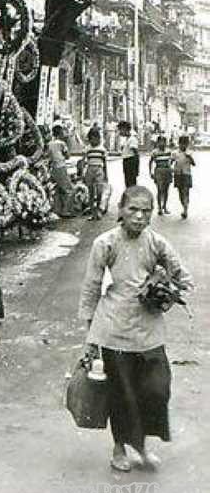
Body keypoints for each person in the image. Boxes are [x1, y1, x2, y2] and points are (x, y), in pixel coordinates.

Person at [78, 186, 193, 472]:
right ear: (120, 210)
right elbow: (91, 287)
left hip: (149, 332)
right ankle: (120, 448)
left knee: (157, 389)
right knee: (121, 394)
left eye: (146, 211)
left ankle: (141, 445)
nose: (140, 217)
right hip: (114, 332)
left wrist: (166, 285)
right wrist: (91, 336)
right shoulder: (105, 244)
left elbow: (183, 278)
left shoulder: (157, 243)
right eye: (133, 210)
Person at [47, 125, 75, 218]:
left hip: (53, 168)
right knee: (69, 190)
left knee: (58, 189)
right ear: (60, 133)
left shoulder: (49, 143)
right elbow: (67, 156)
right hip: (61, 167)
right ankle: (66, 211)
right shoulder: (62, 143)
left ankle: (57, 209)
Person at [81, 128, 108, 221]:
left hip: (99, 169)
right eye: (91, 138)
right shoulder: (87, 149)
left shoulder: (102, 149)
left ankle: (98, 210)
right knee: (91, 192)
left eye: (95, 138)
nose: (94, 141)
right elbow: (83, 161)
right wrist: (82, 173)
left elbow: (105, 163)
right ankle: (93, 213)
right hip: (90, 170)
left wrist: (106, 174)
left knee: (99, 191)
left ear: (99, 138)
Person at [148, 135, 174, 216]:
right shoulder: (154, 152)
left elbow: (172, 160)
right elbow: (150, 162)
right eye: (160, 142)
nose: (162, 143)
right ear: (157, 143)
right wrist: (150, 172)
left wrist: (170, 166)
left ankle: (164, 207)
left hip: (167, 171)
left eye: (163, 142)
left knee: (166, 190)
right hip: (158, 170)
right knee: (159, 189)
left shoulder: (169, 151)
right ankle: (159, 208)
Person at [173, 135, 196, 220]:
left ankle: (185, 210)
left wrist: (189, 157)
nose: (183, 146)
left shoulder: (189, 153)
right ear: (179, 144)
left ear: (187, 144)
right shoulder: (175, 153)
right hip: (178, 174)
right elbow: (172, 162)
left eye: (185, 144)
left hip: (186, 174)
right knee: (180, 193)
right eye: (181, 144)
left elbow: (194, 164)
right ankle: (184, 205)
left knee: (185, 192)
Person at [118, 121, 140, 188]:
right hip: (126, 161)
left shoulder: (132, 139)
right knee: (127, 181)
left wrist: (136, 167)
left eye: (121, 130)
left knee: (131, 181)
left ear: (125, 129)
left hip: (131, 161)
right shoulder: (126, 140)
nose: (120, 132)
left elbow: (136, 153)